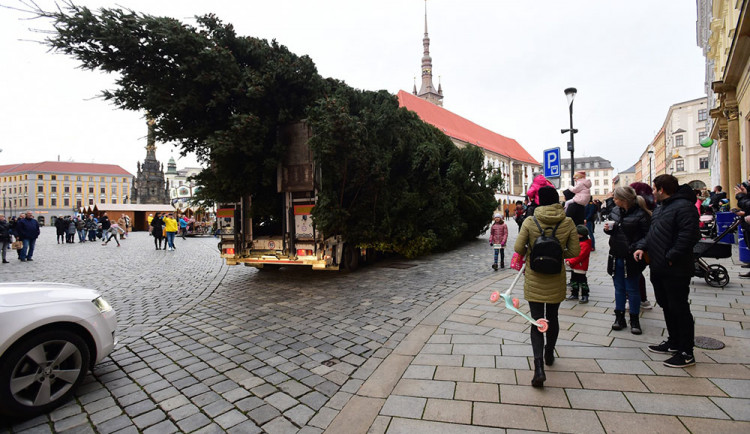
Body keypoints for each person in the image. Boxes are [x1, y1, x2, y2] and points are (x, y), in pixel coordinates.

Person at [514, 186, 579, 388]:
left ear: (539, 201)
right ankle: (549, 352)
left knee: (536, 321)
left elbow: (518, 247)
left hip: (534, 276)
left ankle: (538, 368)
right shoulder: (567, 222)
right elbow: (575, 250)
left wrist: (533, 252)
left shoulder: (530, 221)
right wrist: (558, 255)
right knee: (553, 317)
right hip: (555, 277)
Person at [634, 174, 700, 368]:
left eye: (654, 189)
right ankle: (673, 342)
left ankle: (686, 352)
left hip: (675, 267)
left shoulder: (684, 207)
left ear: (662, 189)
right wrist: (642, 246)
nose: (652, 192)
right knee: (667, 305)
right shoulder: (663, 207)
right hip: (659, 266)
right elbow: (654, 233)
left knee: (679, 308)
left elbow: (689, 236)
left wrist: (671, 256)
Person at [604, 186, 650, 335]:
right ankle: (619, 318)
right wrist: (607, 229)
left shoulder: (641, 214)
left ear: (623, 200)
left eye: (615, 198)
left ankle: (634, 319)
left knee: (632, 289)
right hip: (616, 254)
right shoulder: (615, 211)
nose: (613, 200)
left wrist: (640, 247)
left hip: (632, 256)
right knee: (619, 289)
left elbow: (648, 235)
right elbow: (613, 230)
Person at [629, 182, 656, 309]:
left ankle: (635, 299)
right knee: (637, 273)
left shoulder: (639, 211)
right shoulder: (651, 208)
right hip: (643, 248)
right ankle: (642, 299)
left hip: (637, 247)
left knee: (633, 274)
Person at [566, 225, 592, 303]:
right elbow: (571, 251)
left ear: (581, 234)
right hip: (575, 266)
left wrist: (570, 261)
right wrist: (568, 259)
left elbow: (580, 256)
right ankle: (574, 293)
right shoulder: (578, 242)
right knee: (574, 280)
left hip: (580, 266)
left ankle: (585, 295)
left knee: (582, 281)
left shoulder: (585, 244)